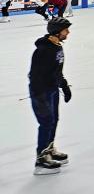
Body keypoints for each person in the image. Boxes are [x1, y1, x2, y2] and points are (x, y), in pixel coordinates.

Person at [29, 17, 73, 175]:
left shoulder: (57, 47)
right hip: (41, 92)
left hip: (53, 90)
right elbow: (35, 76)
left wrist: (64, 86)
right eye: (65, 30)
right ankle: (41, 160)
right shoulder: (43, 50)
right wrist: (39, 96)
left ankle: (49, 149)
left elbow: (57, 71)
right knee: (46, 122)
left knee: (54, 120)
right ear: (57, 31)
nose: (68, 32)